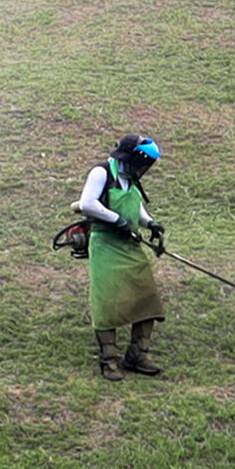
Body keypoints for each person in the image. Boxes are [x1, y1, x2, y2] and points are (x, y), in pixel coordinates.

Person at [74, 135, 166, 380]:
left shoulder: (130, 178)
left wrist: (151, 224)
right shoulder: (102, 173)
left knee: (146, 296)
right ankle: (108, 360)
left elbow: (136, 207)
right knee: (107, 301)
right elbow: (87, 203)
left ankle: (137, 354)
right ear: (133, 158)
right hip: (105, 244)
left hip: (129, 245)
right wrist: (117, 220)